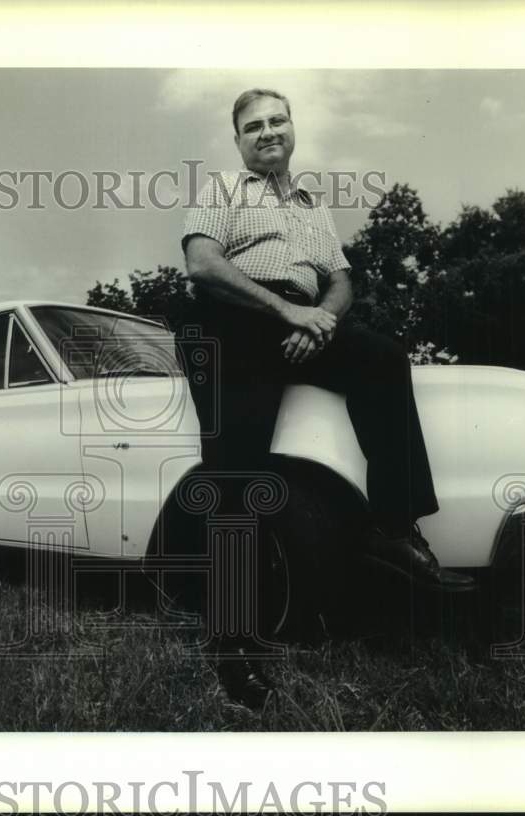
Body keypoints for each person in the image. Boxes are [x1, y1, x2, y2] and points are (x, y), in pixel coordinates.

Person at [178, 88, 474, 707]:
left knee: (383, 357)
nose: (266, 132)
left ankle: (394, 523)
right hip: (232, 321)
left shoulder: (312, 205)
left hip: (301, 318)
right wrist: (288, 312)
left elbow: (340, 280)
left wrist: (321, 324)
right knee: (237, 474)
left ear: (293, 129)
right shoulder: (223, 192)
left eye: (277, 121)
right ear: (237, 142)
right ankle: (233, 646)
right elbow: (203, 264)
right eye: (252, 126)